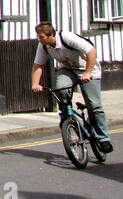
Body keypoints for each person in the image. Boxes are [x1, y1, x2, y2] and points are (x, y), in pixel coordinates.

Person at [31, 22, 111, 150]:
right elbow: (38, 65)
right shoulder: (43, 46)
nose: (39, 39)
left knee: (94, 106)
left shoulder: (66, 38)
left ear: (51, 35)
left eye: (41, 37)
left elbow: (91, 50)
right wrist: (35, 83)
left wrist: (88, 72)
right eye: (38, 37)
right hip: (68, 70)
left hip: (88, 69)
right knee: (61, 89)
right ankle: (66, 117)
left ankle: (103, 138)